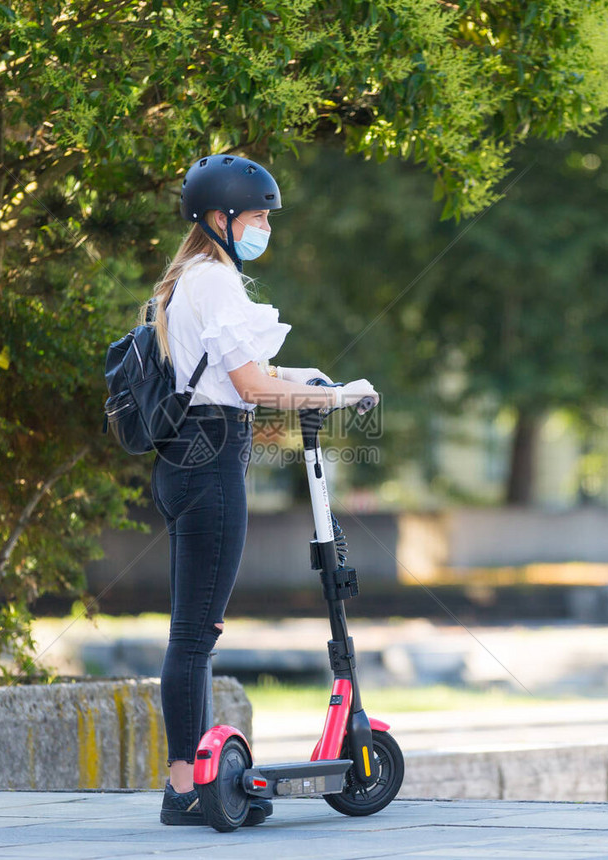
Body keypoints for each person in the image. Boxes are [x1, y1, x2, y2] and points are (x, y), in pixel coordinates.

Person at [145, 154, 379, 826]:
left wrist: (310, 380)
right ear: (220, 219)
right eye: (259, 215)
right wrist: (335, 399)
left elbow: (244, 371)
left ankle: (185, 784)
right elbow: (251, 389)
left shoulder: (192, 278)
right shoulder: (214, 281)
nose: (267, 226)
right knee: (195, 635)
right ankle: (186, 790)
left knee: (191, 632)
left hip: (188, 458)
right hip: (211, 462)